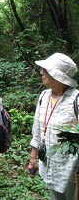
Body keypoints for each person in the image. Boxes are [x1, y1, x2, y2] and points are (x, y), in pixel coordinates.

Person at [27, 53, 79, 199]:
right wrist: (33, 158)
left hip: (70, 170)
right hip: (48, 165)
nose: (42, 72)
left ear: (58, 75)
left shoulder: (76, 99)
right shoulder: (44, 96)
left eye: (46, 70)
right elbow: (37, 130)